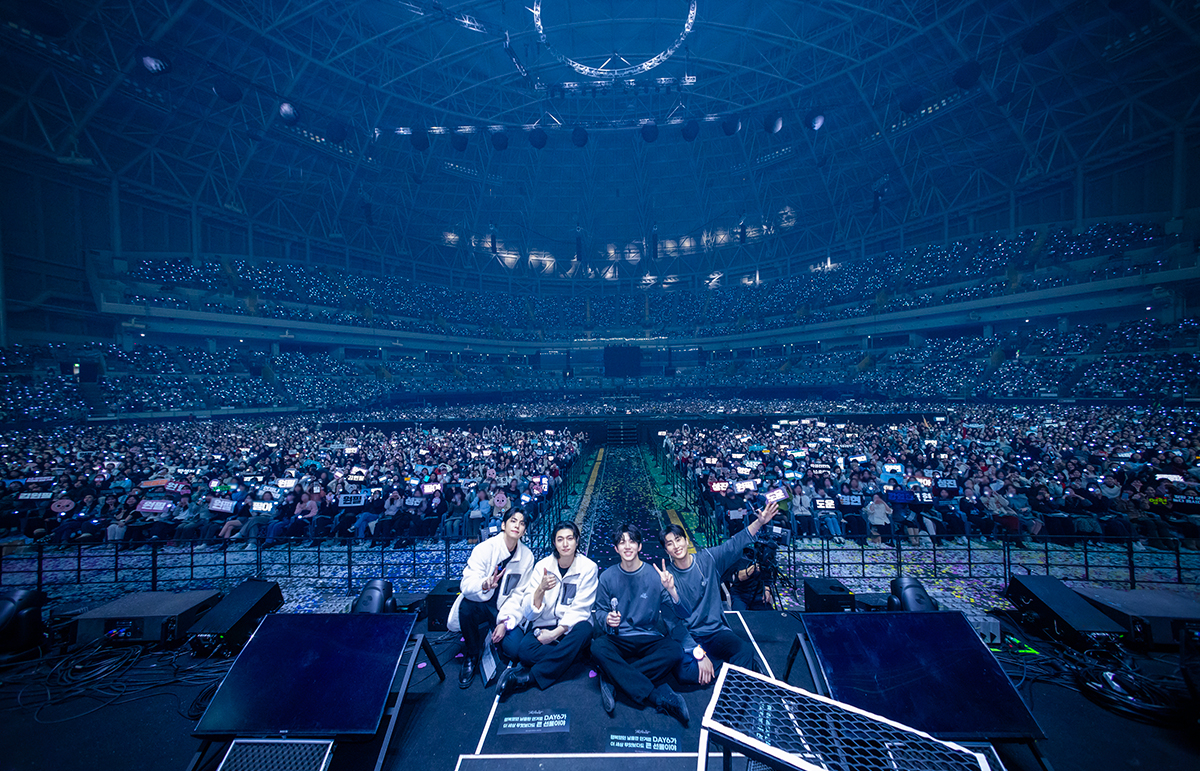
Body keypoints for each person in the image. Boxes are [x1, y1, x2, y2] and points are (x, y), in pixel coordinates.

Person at [661, 500, 778, 685]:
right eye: (670, 544)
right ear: (666, 550)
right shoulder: (667, 579)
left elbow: (733, 544)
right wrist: (699, 654)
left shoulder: (708, 559)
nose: (676, 546)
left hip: (716, 632)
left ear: (686, 540)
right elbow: (674, 624)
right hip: (690, 635)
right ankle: (733, 668)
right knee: (683, 673)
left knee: (745, 651)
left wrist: (759, 522)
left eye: (678, 539)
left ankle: (726, 668)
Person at [590, 523, 691, 726]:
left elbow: (684, 612)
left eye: (632, 541)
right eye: (622, 542)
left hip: (649, 636)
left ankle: (613, 678)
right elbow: (599, 611)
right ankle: (657, 696)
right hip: (619, 637)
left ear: (640, 546)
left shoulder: (655, 576)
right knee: (597, 647)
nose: (627, 546)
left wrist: (672, 590)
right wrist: (607, 619)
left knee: (675, 650)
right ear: (616, 548)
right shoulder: (607, 577)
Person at [495, 521, 598, 697]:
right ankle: (576, 656)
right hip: (544, 625)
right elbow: (529, 612)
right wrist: (540, 590)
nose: (565, 544)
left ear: (577, 541)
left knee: (585, 628)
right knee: (525, 651)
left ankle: (529, 678)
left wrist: (554, 634)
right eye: (560, 539)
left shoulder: (588, 568)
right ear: (554, 543)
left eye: (570, 538)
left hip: (571, 629)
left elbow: (581, 608)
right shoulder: (542, 566)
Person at [448, 508, 536, 688]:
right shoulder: (484, 549)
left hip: (502, 608)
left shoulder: (527, 556)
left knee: (515, 650)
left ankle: (491, 632)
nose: (517, 526)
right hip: (479, 604)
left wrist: (504, 622)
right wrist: (484, 584)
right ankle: (472, 653)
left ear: (524, 531)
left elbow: (519, 594)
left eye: (522, 523)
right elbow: (466, 584)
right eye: (513, 521)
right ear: (503, 525)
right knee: (466, 606)